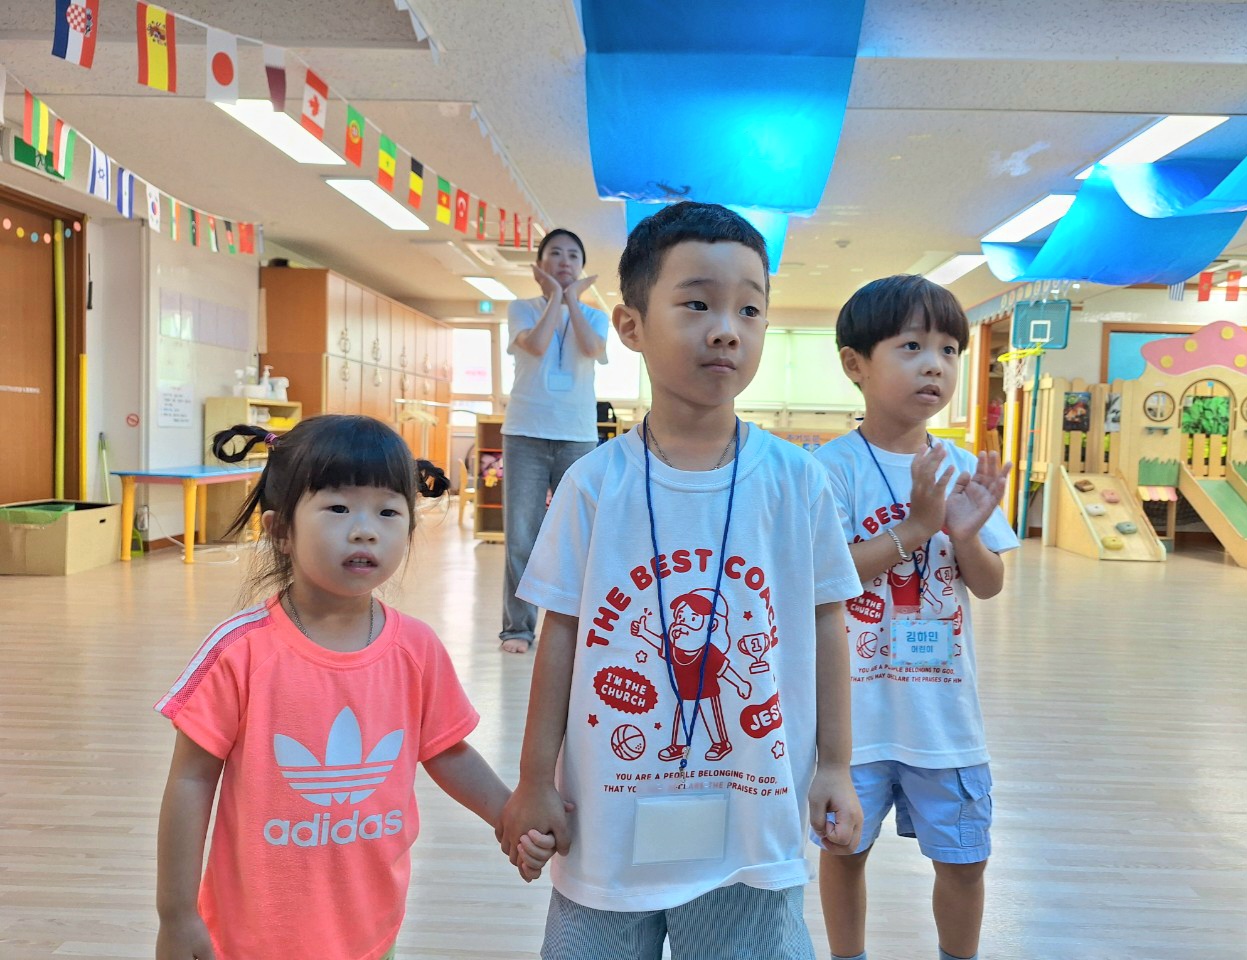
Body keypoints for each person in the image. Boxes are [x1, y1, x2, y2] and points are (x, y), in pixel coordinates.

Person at [497, 202, 865, 960]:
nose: (727, 329)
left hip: (751, 821)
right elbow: (560, 636)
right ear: (630, 327)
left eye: (749, 310)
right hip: (608, 824)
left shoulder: (798, 482)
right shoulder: (593, 484)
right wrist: (534, 780)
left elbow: (828, 623)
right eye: (697, 303)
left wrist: (834, 765)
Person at [154, 415, 556, 960]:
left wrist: (509, 814)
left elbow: (446, 751)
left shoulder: (415, 647)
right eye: (339, 508)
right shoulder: (239, 651)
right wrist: (177, 916)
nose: (365, 529)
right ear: (280, 531)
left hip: (371, 930)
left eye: (388, 512)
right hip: (253, 936)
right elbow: (190, 781)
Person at [811, 276, 1017, 960]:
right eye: (911, 346)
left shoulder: (961, 467)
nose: (936, 364)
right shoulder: (829, 470)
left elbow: (988, 585)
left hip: (943, 718)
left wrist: (963, 535)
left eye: (949, 349)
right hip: (854, 719)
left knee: (965, 862)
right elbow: (825, 576)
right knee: (843, 852)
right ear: (855, 364)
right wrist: (916, 527)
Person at [500, 228, 610, 654]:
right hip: (525, 432)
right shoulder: (521, 309)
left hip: (576, 436)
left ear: (581, 267)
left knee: (580, 535)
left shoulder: (595, 316)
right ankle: (518, 628)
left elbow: (591, 348)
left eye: (573, 256)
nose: (565, 261)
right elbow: (537, 343)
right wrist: (555, 300)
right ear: (539, 265)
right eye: (556, 254)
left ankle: (580, 626)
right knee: (522, 535)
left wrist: (572, 302)